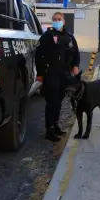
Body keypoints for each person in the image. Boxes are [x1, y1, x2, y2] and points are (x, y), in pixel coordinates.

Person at [35, 12, 80, 142]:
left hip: (65, 74)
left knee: (59, 100)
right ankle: (49, 129)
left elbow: (76, 53)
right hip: (51, 73)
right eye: (54, 19)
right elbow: (38, 56)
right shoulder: (46, 37)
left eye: (59, 19)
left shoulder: (69, 37)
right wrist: (40, 73)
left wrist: (75, 66)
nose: (57, 21)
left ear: (64, 21)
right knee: (52, 101)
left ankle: (56, 124)